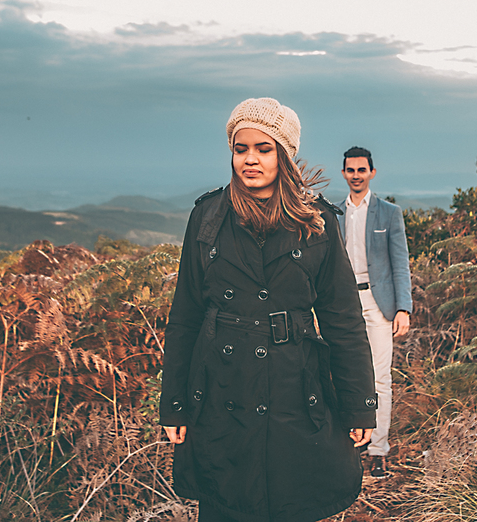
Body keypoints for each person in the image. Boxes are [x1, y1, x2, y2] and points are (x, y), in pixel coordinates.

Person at [160, 98, 378, 522]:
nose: (250, 160)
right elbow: (184, 316)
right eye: (241, 149)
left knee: (293, 500)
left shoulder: (316, 222)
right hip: (223, 387)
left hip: (295, 387)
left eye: (264, 148)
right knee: (226, 502)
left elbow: (343, 320)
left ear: (285, 154)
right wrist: (174, 403)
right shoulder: (207, 217)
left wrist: (359, 404)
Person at [339, 146, 412, 479]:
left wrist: (402, 308)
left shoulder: (389, 213)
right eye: (351, 170)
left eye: (361, 170)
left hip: (377, 303)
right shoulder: (334, 214)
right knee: (342, 376)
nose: (356, 175)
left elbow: (400, 264)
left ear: (372, 173)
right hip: (340, 306)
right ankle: (348, 446)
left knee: (380, 379)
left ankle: (378, 450)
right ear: (344, 174)